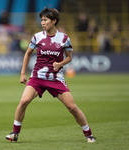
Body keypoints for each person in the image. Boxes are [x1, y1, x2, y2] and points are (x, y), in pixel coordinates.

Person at [6, 7, 96, 143]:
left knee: (72, 107)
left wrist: (60, 64)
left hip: (55, 79)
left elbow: (69, 57)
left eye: (45, 20)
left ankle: (88, 134)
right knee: (23, 101)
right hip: (37, 78)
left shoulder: (64, 38)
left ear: (54, 21)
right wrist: (23, 73)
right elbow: (28, 53)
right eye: (41, 20)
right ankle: (15, 133)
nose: (42, 23)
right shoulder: (37, 36)